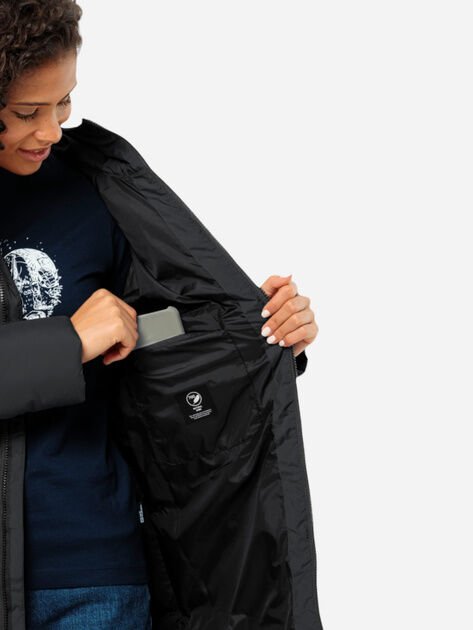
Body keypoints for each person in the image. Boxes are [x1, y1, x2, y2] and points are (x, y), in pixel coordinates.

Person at [0, 1, 319, 629]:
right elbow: (84, 338)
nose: (52, 131)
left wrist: (246, 331)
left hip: (98, 577)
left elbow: (148, 336)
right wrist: (68, 341)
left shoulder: (92, 189)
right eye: (26, 113)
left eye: (64, 103)